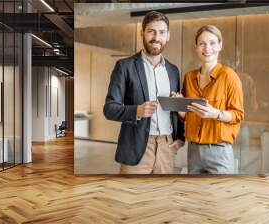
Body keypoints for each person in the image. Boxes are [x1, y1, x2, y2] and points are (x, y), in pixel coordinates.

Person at [103, 11, 184, 174]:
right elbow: (109, 109)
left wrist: (181, 137)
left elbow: (177, 109)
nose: (156, 37)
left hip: (166, 147)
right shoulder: (124, 66)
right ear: (142, 33)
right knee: (131, 197)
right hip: (136, 146)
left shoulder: (173, 70)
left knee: (162, 197)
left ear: (168, 36)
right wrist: (137, 111)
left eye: (161, 32)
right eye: (151, 31)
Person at [179, 25, 244, 174]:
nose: (207, 48)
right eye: (202, 43)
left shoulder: (229, 76)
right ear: (196, 47)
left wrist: (215, 113)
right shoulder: (188, 77)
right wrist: (179, 105)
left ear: (220, 45)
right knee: (195, 195)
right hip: (193, 150)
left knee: (221, 196)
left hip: (219, 152)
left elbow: (238, 114)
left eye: (212, 43)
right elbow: (186, 116)